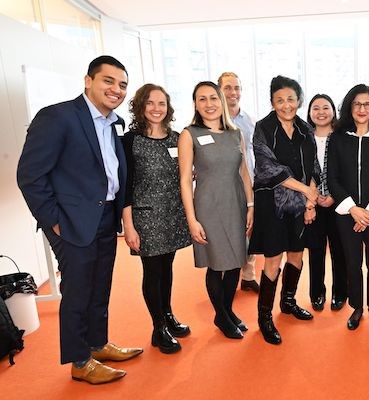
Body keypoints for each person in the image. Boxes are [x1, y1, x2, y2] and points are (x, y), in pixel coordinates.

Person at [17, 55, 142, 384]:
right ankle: (79, 360)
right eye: (108, 81)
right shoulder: (58, 117)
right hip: (71, 222)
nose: (116, 89)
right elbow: (30, 176)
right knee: (78, 292)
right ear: (88, 81)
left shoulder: (113, 122)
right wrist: (54, 222)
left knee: (100, 287)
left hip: (105, 216)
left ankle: (97, 344)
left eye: (122, 85)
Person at [178, 81, 254, 340]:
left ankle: (227, 311)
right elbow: (185, 180)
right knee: (216, 263)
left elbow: (244, 172)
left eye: (213, 98)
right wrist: (191, 218)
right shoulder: (189, 134)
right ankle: (221, 316)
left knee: (235, 261)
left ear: (221, 101)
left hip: (236, 203)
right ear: (195, 104)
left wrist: (251, 204)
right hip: (207, 207)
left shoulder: (236, 134)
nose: (209, 104)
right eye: (202, 99)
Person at [249, 76, 319, 345]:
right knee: (273, 259)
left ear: (299, 100)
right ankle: (264, 317)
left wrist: (310, 201)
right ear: (272, 103)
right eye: (280, 100)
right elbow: (267, 168)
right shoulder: (263, 128)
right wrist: (306, 191)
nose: (286, 104)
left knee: (297, 254)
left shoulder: (305, 129)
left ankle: (288, 302)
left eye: (291, 99)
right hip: (273, 205)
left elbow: (313, 166)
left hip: (301, 204)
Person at [122, 84, 192, 354]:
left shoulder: (177, 139)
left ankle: (168, 315)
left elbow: (185, 174)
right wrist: (128, 225)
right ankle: (158, 327)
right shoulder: (129, 141)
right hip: (145, 217)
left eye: (161, 103)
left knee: (167, 267)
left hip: (172, 214)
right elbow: (124, 186)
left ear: (168, 107)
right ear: (140, 107)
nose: (156, 108)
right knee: (152, 272)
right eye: (150, 103)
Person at [327, 84, 369, 331]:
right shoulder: (338, 138)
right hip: (347, 214)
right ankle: (356, 306)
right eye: (357, 104)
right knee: (352, 262)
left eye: (367, 104)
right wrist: (353, 209)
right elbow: (332, 178)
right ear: (349, 107)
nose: (362, 109)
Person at [305, 94, 348, 311]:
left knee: (339, 250)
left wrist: (333, 195)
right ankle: (317, 293)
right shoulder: (304, 136)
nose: (321, 112)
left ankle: (340, 293)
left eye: (325, 107)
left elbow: (348, 171)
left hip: (338, 202)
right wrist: (312, 200)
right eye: (315, 108)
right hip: (312, 203)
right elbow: (303, 171)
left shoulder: (342, 137)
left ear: (333, 110)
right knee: (316, 250)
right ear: (310, 113)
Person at [218, 72, 260, 293]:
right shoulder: (212, 121)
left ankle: (248, 275)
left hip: (249, 182)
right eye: (227, 88)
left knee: (249, 228)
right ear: (219, 91)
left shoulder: (250, 120)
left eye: (237, 87)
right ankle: (226, 277)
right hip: (223, 187)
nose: (233, 93)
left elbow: (255, 153)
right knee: (227, 231)